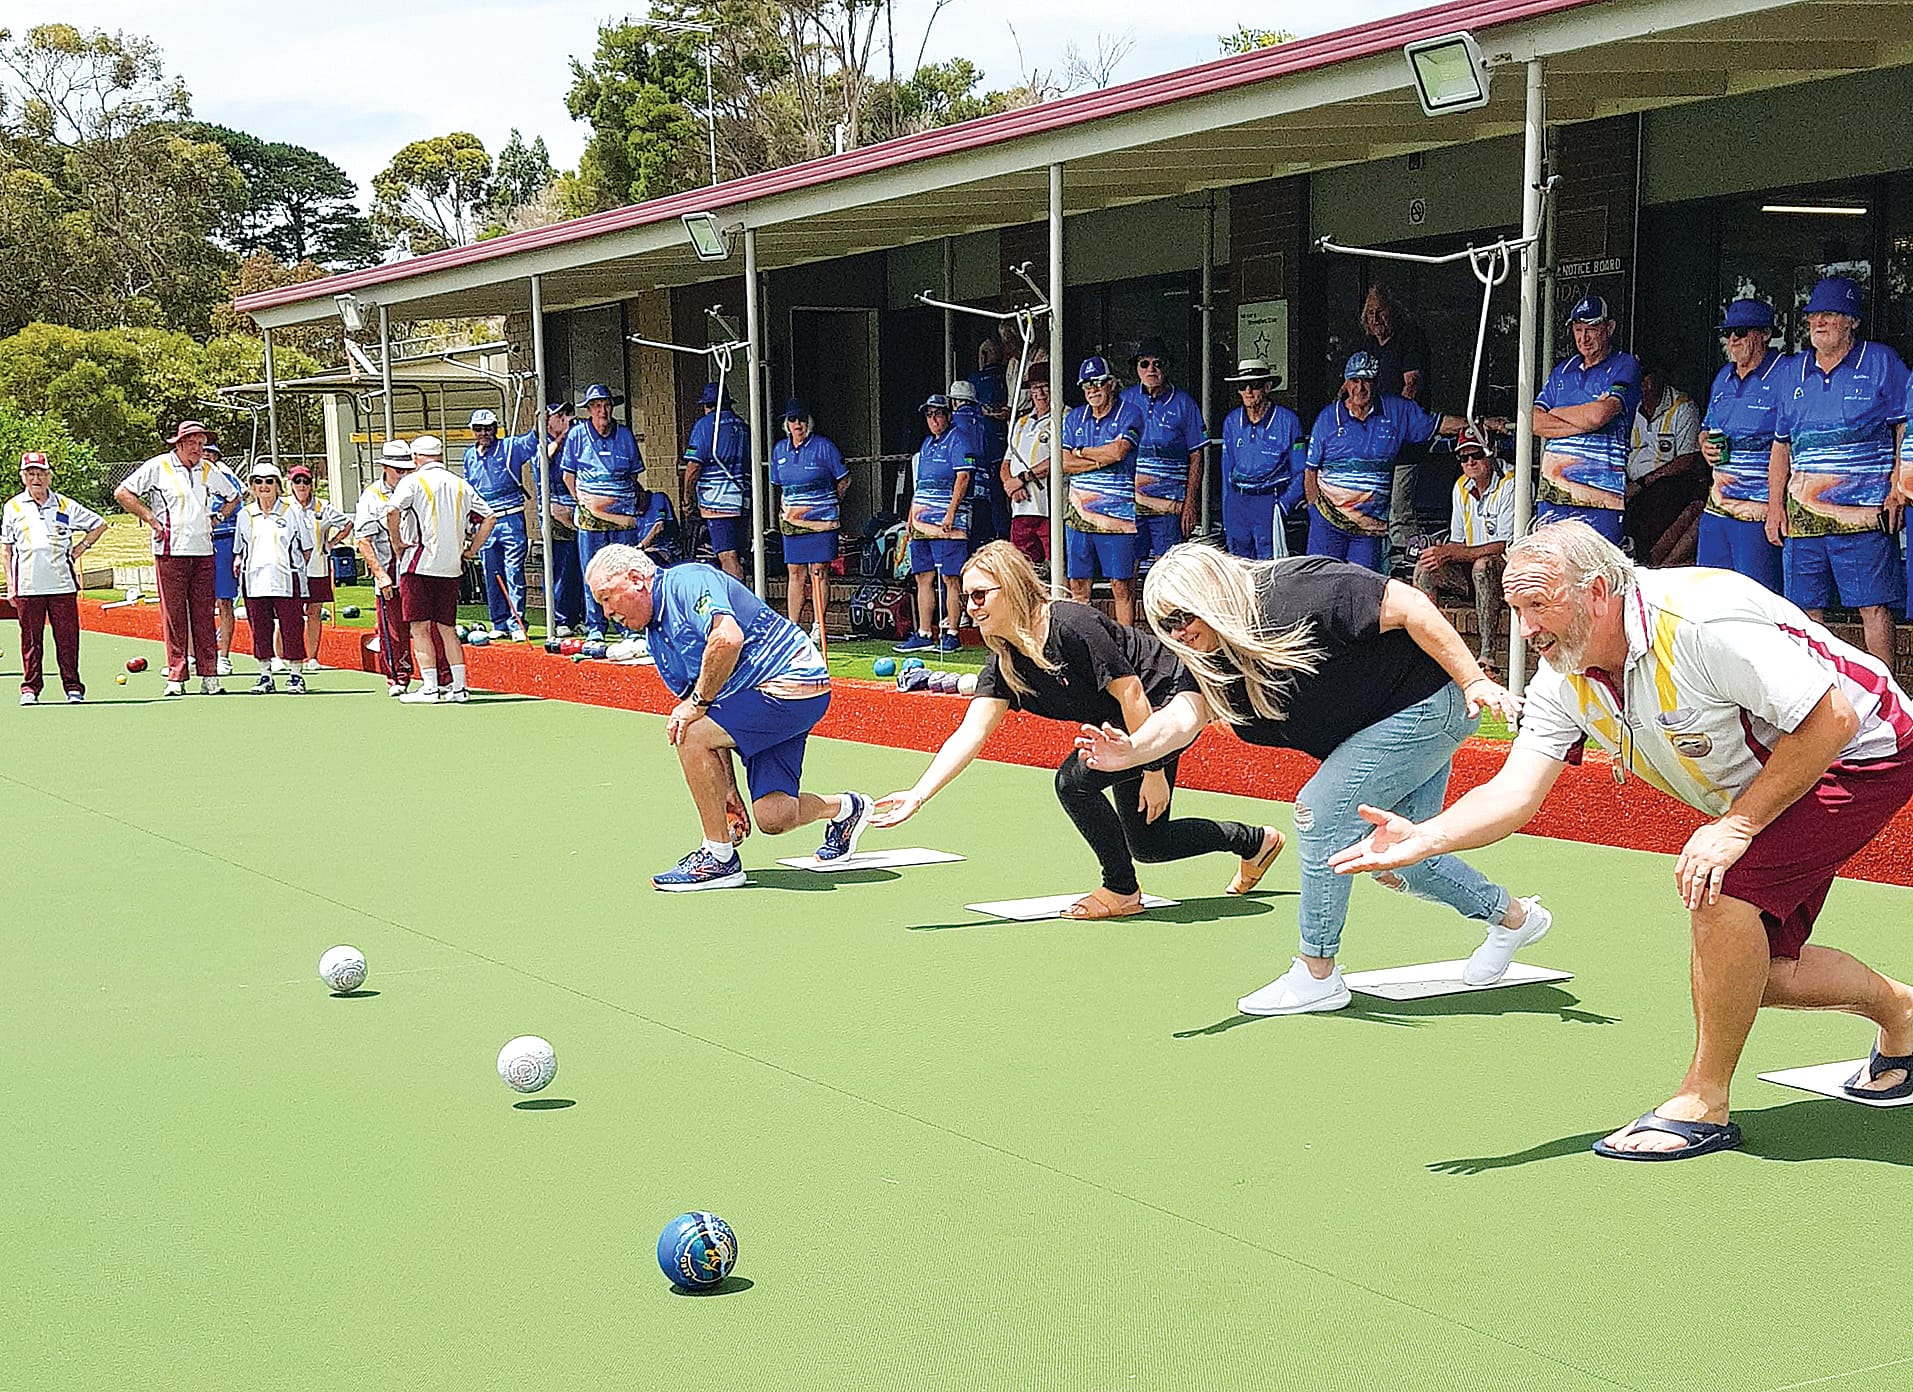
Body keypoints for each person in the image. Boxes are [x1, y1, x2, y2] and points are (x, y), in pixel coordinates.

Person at [1332, 521, 1913, 1160]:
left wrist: (1736, 827)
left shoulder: (1697, 623)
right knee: (1753, 976)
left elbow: (1833, 717)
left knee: (1719, 892)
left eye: (1538, 603)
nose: (1526, 629)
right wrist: (1425, 839)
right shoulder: (1563, 676)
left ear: (1600, 592)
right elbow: (1515, 791)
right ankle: (1905, 1015)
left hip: (1861, 747)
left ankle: (1704, 1100)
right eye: (1516, 608)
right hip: (1778, 765)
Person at [1074, 543, 1544, 1016]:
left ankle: (1317, 972)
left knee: (1319, 812)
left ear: (1209, 593)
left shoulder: (1300, 592)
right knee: (1402, 855)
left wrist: (1473, 680)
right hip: (1385, 722)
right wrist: (1131, 750)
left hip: (1427, 704)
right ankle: (1513, 919)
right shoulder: (1207, 656)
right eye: (1165, 625)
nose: (1178, 633)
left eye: (1181, 616)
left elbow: (1412, 605)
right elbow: (1181, 718)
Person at [871, 542, 1284, 919]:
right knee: (1149, 844)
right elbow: (971, 732)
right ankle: (1254, 841)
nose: (971, 606)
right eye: (966, 596)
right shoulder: (1007, 661)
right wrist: (918, 794)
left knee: (1074, 782)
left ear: (1011, 587)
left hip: (1162, 703)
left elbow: (1133, 692)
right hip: (1121, 727)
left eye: (980, 594)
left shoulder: (1069, 624)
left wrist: (1154, 767)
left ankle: (1121, 890)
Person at [583, 544, 873, 890]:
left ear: (635, 579)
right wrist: (727, 793)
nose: (605, 611)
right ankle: (847, 809)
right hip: (760, 698)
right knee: (775, 816)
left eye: (606, 597)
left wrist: (696, 702)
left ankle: (718, 857)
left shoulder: (687, 581)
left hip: (790, 682)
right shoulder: (657, 638)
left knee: (687, 731)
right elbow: (709, 706)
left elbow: (727, 638)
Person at [1767, 275, 1906, 670]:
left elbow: (1903, 427)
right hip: (1803, 520)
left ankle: (1887, 701)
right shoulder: (1792, 372)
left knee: (1873, 609)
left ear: (1853, 321)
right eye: (1813, 315)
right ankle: (1822, 699)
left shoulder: (1881, 362)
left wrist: (1899, 486)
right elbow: (1781, 445)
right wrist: (1775, 506)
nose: (1819, 322)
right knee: (1805, 612)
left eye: (1830, 314)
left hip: (1862, 516)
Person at [1305, 352, 1494, 573]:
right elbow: (1310, 471)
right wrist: (1315, 514)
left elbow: (1439, 424)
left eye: (1367, 380)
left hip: (1370, 529)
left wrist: (1481, 424)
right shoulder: (1328, 418)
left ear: (1376, 383)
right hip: (1328, 523)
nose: (1361, 387)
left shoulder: (1395, 410)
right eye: (1355, 380)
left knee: (1365, 587)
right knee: (1321, 581)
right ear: (1346, 383)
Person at [114, 420, 242, 697]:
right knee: (174, 615)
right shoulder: (158, 466)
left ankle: (209, 674)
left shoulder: (208, 469)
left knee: (205, 614)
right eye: (193, 443)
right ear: (179, 443)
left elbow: (234, 496)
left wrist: (218, 517)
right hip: (170, 550)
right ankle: (176, 675)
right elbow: (123, 492)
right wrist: (150, 518)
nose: (198, 448)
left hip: (204, 550)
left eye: (201, 443)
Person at [384, 434, 495, 704]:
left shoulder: (412, 481)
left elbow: (391, 511)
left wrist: (397, 542)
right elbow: (489, 517)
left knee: (419, 629)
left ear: (416, 458)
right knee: (447, 627)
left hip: (418, 565)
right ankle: (459, 688)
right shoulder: (460, 484)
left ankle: (430, 688)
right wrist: (472, 549)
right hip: (451, 567)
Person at [1532, 294, 1642, 544]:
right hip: (1554, 497)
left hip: (1599, 496)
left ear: (1609, 328)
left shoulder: (1625, 364)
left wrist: (1557, 412)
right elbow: (1535, 422)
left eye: (1592, 329)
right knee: (1552, 570)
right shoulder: (1562, 369)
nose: (1584, 338)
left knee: (1598, 572)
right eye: (1578, 329)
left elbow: (1600, 415)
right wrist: (1586, 417)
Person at [1697, 298, 1787, 593]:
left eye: (1741, 331)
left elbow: (1789, 441)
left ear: (1764, 333)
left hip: (1759, 509)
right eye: (1728, 332)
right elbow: (1705, 429)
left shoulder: (1786, 373)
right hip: (1717, 508)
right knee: (1710, 594)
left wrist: (1776, 507)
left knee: (1756, 598)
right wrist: (1704, 445)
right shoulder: (1724, 376)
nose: (1732, 339)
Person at [2, 451, 106, 705]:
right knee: (30, 640)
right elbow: (6, 548)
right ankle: (30, 688)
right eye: (30, 473)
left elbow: (99, 524)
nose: (36, 478)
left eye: (40, 473)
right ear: (22, 476)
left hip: (61, 584)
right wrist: (11, 584)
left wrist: (81, 548)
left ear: (49, 476)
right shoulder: (13, 507)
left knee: (67, 639)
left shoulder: (64, 505)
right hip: (27, 585)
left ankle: (73, 687)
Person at [1414, 426, 1515, 675]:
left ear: (1490, 453)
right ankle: (1423, 650)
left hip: (1507, 572)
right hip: (1470, 571)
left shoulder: (1511, 482)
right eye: (1463, 457)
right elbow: (1458, 540)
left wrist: (1452, 553)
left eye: (1476, 455)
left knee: (1484, 566)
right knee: (1425, 567)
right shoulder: (1461, 486)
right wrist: (1441, 551)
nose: (1470, 462)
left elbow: (1503, 545)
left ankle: (1488, 657)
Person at [1061, 355, 1146, 625]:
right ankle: (1082, 643)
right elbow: (1063, 462)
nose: (1092, 389)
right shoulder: (1074, 417)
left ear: (1111, 383)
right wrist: (1100, 459)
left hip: (1117, 517)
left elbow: (1120, 451)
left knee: (1121, 586)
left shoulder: (1130, 412)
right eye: (1087, 385)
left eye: (1098, 382)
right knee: (1077, 585)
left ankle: (1126, 649)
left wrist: (1081, 452)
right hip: (1078, 516)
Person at [1359, 284, 1433, 568]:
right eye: (1369, 313)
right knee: (1375, 508)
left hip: (1404, 443)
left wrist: (1394, 425)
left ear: (1392, 311)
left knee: (1399, 510)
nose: (1375, 319)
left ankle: (1409, 567)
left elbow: (1411, 385)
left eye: (1380, 312)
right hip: (1375, 445)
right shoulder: (1367, 346)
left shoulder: (1408, 338)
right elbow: (1352, 386)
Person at [895, 392, 975, 654]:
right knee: (923, 577)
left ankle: (951, 632)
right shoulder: (927, 444)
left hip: (947, 523)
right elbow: (919, 485)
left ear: (948, 415)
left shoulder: (959, 440)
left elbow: (962, 478)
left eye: (938, 414)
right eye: (929, 415)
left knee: (951, 577)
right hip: (921, 523)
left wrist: (951, 513)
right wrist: (910, 517)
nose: (934, 419)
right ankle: (924, 632)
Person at [564, 383, 644, 641]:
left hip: (622, 518)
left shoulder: (625, 435)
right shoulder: (577, 435)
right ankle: (596, 627)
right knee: (592, 570)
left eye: (606, 405)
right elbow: (568, 475)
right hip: (590, 520)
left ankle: (627, 626)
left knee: (623, 570)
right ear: (589, 410)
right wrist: (584, 503)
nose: (603, 411)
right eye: (597, 406)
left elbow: (634, 474)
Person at [231, 461, 315, 695]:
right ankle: (265, 675)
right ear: (252, 486)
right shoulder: (245, 515)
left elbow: (306, 549)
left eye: (269, 481)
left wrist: (292, 567)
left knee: (292, 627)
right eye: (258, 481)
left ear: (278, 485)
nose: (264, 486)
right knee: (260, 628)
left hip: (287, 581)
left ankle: (296, 675)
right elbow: (240, 549)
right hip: (254, 581)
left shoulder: (292, 511)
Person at [1121, 336, 1206, 565]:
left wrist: (1190, 504)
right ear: (1137, 369)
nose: (1151, 369)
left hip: (1170, 506)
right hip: (1131, 504)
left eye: (1157, 363)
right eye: (1144, 364)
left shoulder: (1184, 403)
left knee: (1167, 570)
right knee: (1126, 571)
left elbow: (1197, 455)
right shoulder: (1124, 400)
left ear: (1166, 366)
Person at [770, 398, 849, 638]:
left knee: (819, 571)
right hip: (792, 523)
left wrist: (829, 505)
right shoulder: (779, 450)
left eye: (802, 419)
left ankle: (818, 626)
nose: (798, 424)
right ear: (786, 423)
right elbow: (777, 486)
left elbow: (844, 479)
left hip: (822, 523)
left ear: (808, 422)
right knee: (794, 572)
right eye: (792, 419)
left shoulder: (824, 446)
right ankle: (793, 627)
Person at [462, 406, 539, 641]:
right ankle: (499, 621)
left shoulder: (509, 448)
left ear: (496, 429)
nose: (484, 433)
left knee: (514, 572)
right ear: (473, 431)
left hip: (511, 517)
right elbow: (468, 490)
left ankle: (517, 623)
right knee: (491, 572)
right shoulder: (469, 456)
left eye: (488, 428)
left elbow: (532, 440)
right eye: (479, 429)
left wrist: (538, 422)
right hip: (485, 523)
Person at [1218, 358, 1305, 561]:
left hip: (1270, 501)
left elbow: (1301, 471)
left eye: (1255, 385)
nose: (1248, 391)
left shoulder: (1288, 421)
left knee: (1270, 569)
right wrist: (1227, 512)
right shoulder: (1231, 421)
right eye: (1242, 386)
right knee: (1238, 569)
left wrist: (1283, 505)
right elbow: (1226, 472)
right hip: (1237, 504)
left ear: (1267, 387)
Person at [354, 440, 419, 697]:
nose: (403, 475)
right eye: (398, 470)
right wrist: (380, 575)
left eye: (407, 470)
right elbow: (362, 539)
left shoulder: (418, 488)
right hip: (389, 566)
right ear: (384, 467)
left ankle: (436, 677)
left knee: (426, 624)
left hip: (417, 565)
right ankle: (398, 678)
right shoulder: (371, 496)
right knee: (393, 628)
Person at [1624, 364, 1707, 567]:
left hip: (1667, 483)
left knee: (1661, 499)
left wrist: (1644, 483)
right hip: (1630, 483)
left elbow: (1688, 460)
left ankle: (1653, 562)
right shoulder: (1629, 405)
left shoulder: (1683, 407)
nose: (1641, 383)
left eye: (1645, 376)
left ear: (1659, 376)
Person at [682, 382, 751, 582]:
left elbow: (693, 467)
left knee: (727, 556)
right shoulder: (742, 426)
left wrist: (688, 498)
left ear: (707, 405)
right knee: (739, 555)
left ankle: (739, 607)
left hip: (718, 503)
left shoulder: (704, 426)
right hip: (743, 499)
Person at [287, 465, 349, 671]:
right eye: (297, 481)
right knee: (289, 612)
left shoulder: (323, 507)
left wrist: (330, 543)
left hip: (317, 567)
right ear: (290, 484)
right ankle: (283, 656)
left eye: (305, 481)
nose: (302, 486)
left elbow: (347, 524)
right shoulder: (284, 506)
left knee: (314, 612)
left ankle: (312, 658)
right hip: (292, 569)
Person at [1001, 363, 1054, 565]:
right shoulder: (1021, 422)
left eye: (1045, 386)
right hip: (1020, 508)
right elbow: (1006, 463)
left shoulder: (1065, 417)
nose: (1040, 393)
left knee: (1058, 567)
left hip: (1049, 508)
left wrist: (1022, 479)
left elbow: (1059, 459)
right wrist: (1012, 487)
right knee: (1023, 568)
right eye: (1035, 387)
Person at [541, 401, 583, 637]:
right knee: (559, 567)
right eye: (561, 416)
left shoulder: (573, 441)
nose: (566, 418)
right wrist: (560, 438)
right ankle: (560, 619)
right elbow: (542, 461)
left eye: (567, 414)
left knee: (575, 567)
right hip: (554, 511)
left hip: (575, 509)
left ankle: (576, 616)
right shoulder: (544, 443)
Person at [204, 441, 245, 677]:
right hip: (196, 544)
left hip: (224, 542)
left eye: (210, 453)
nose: (205, 456)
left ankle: (224, 656)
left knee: (225, 601)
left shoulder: (226, 477)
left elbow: (238, 510)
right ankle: (194, 655)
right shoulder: (190, 476)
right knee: (196, 603)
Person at [949, 377, 998, 545]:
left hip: (963, 482)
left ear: (954, 401)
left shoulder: (953, 422)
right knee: (981, 533)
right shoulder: (985, 421)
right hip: (985, 483)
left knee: (963, 534)